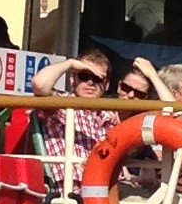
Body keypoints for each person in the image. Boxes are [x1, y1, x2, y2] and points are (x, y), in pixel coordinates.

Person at [29, 46, 121, 191]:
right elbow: (39, 84)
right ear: (73, 79)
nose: (90, 82)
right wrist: (70, 64)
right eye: (84, 76)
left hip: (111, 190)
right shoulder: (62, 105)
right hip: (73, 191)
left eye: (97, 78)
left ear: (107, 84)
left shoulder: (110, 115)